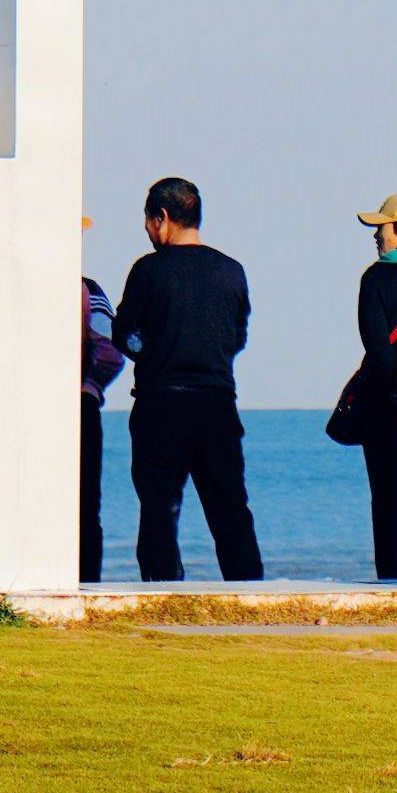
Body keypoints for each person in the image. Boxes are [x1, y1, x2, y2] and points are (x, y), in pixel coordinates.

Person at [112, 176, 263, 584]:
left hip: (161, 402)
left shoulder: (148, 271)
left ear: (161, 218)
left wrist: (156, 352)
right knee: (230, 507)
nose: (146, 231)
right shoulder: (232, 271)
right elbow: (238, 336)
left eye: (147, 221)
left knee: (160, 509)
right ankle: (247, 590)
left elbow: (123, 333)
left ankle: (163, 592)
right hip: (217, 402)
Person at [353, 192, 397, 582]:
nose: (376, 235)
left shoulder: (375, 278)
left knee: (385, 496)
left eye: (381, 228)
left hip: (386, 405)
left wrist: (396, 386)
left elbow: (375, 345)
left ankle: (390, 573)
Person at [79, 229, 126, 584]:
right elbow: (110, 351)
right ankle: (86, 582)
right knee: (85, 506)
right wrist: (90, 384)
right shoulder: (88, 289)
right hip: (81, 406)